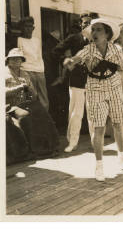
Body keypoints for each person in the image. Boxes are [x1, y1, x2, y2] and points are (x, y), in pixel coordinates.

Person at [70, 18, 123, 182]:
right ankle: (99, 165)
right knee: (99, 128)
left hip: (114, 87)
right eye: (93, 30)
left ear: (107, 34)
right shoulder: (88, 49)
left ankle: (121, 157)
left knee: (118, 123)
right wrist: (69, 62)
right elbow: (76, 59)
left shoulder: (116, 48)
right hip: (95, 89)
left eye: (99, 30)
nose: (94, 33)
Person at [52, 12, 99, 152]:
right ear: (80, 24)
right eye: (85, 22)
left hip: (94, 81)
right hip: (77, 80)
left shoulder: (99, 41)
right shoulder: (74, 38)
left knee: (93, 113)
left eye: (90, 23)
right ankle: (72, 142)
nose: (87, 25)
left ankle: (95, 142)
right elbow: (55, 51)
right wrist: (64, 60)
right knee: (75, 113)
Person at [5, 48, 59, 164]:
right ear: (8, 61)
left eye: (18, 59)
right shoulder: (2, 74)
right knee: (26, 116)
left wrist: (29, 89)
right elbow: (0, 93)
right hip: (10, 105)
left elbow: (34, 94)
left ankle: (49, 146)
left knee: (42, 112)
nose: (16, 62)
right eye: (13, 59)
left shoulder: (25, 74)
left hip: (25, 103)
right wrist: (17, 88)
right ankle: (35, 149)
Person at [17, 16, 49, 111]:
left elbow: (39, 56)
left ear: (33, 28)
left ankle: (44, 119)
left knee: (44, 97)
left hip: (39, 70)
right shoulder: (19, 40)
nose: (28, 29)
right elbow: (20, 57)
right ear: (22, 28)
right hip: (26, 70)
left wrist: (41, 69)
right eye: (25, 26)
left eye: (30, 26)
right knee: (30, 96)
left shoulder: (37, 40)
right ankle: (33, 120)